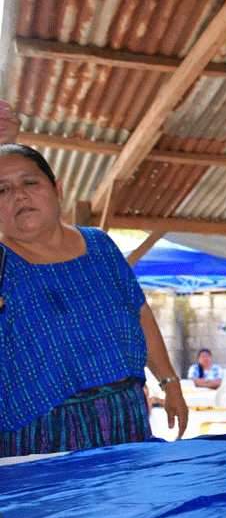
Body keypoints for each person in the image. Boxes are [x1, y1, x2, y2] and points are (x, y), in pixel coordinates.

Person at [0, 142, 188, 456]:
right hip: (39, 433)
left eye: (29, 183)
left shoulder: (100, 245)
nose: (18, 195)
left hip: (124, 417)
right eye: (2, 190)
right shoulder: (1, 263)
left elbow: (140, 314)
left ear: (58, 189)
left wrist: (170, 383)